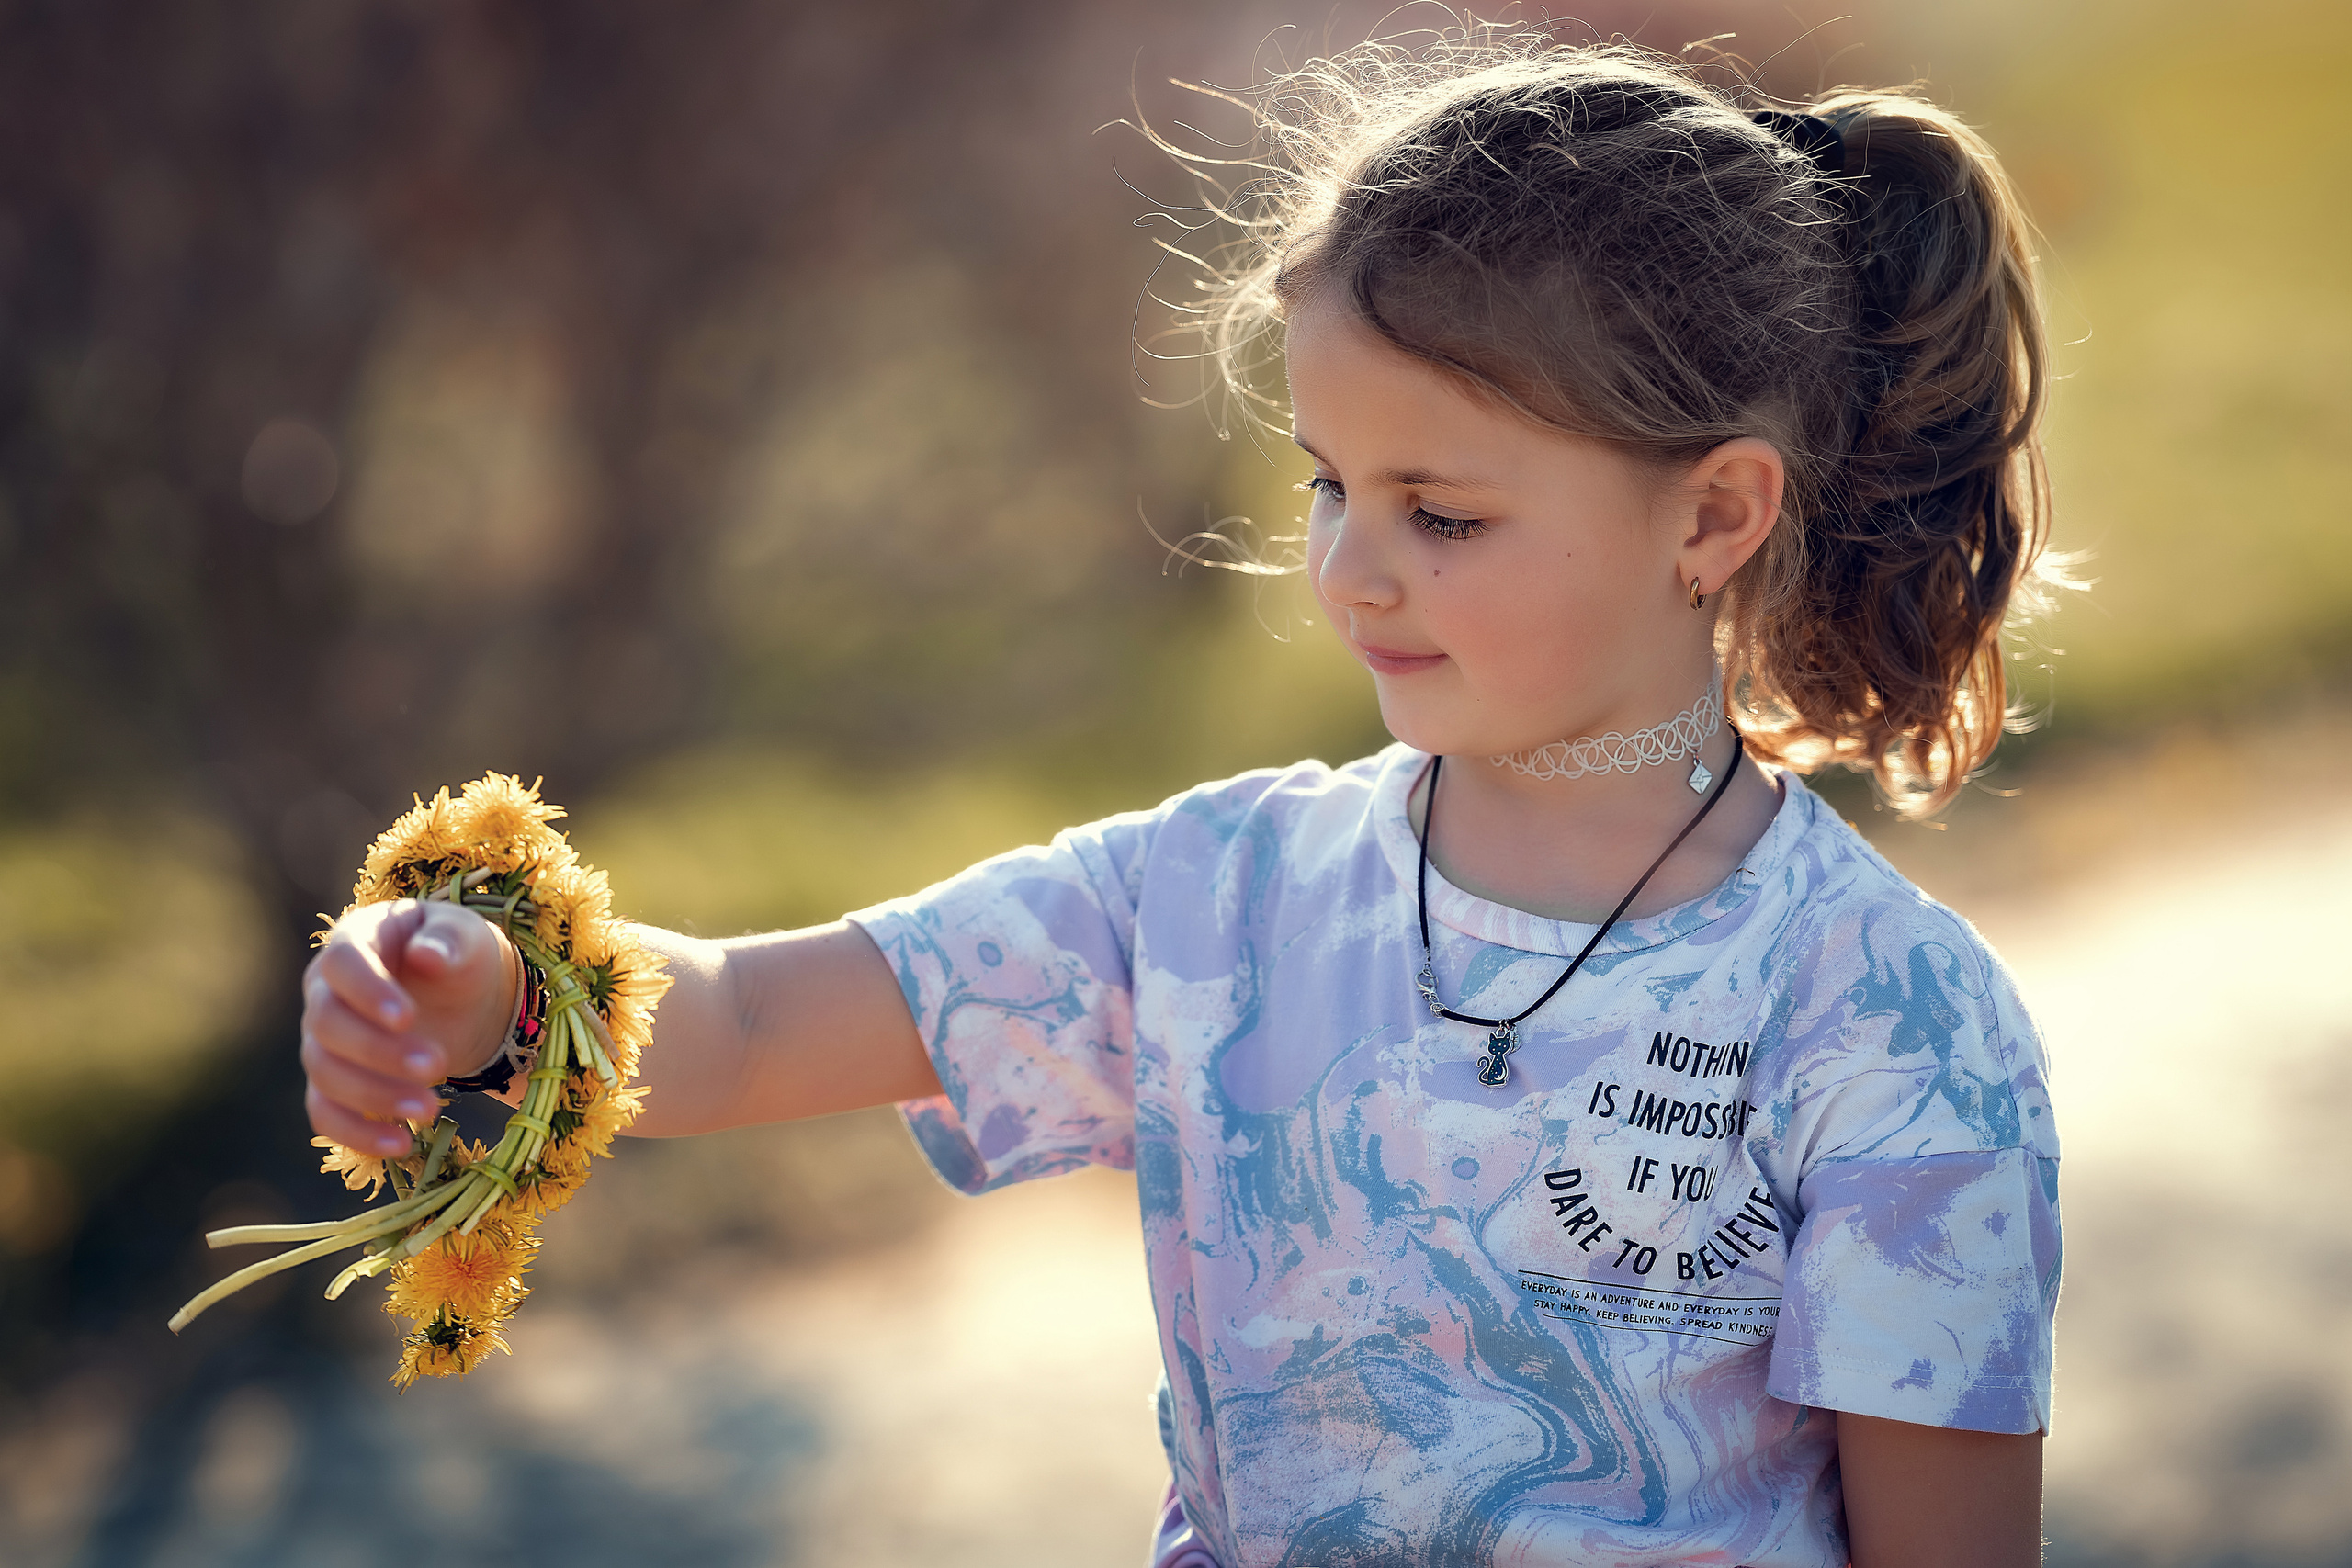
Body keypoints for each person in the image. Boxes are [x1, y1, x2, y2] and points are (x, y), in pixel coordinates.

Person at [296, 30, 2065, 1568]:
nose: (1351, 573)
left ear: (1712, 518)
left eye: (1441, 513)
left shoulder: (1893, 1022)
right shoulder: (1214, 897)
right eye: (1328, 485)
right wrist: (495, 992)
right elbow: (757, 1025)